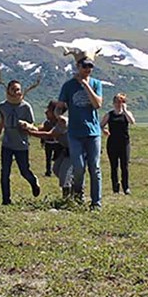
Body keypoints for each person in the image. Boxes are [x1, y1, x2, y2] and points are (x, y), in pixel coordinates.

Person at [56, 47, 103, 209]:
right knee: (78, 167)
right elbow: (60, 107)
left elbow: (97, 104)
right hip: (75, 133)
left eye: (90, 66)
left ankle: (96, 202)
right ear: (78, 66)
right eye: (85, 66)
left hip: (93, 133)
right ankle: (79, 196)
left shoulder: (96, 84)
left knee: (94, 167)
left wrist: (86, 86)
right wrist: (59, 116)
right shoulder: (68, 86)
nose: (88, 69)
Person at [0, 79, 40, 205]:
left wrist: (26, 125)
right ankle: (6, 200)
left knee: (24, 171)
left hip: (22, 144)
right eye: (14, 89)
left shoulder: (26, 107)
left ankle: (33, 182)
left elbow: (33, 125)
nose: (16, 92)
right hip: (7, 144)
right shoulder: (2, 106)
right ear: (8, 90)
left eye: (18, 89)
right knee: (5, 172)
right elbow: (1, 123)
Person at [22, 114, 73, 199]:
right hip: (66, 151)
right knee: (56, 169)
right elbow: (40, 129)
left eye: (49, 110)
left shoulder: (63, 122)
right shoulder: (53, 123)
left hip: (73, 152)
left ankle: (67, 197)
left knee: (64, 174)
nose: (46, 112)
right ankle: (72, 187)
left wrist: (29, 132)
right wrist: (29, 127)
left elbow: (48, 135)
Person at [101, 93, 136, 194]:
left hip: (124, 142)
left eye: (120, 102)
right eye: (116, 102)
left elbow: (132, 122)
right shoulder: (109, 114)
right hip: (112, 143)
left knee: (124, 165)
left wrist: (125, 111)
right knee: (114, 166)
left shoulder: (126, 114)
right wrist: (104, 130)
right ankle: (115, 188)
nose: (118, 104)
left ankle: (126, 187)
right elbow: (101, 125)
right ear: (113, 103)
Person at [41, 100, 62, 177]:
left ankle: (56, 170)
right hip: (49, 142)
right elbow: (44, 131)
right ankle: (48, 171)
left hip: (57, 143)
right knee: (48, 158)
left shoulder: (60, 122)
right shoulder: (47, 122)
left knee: (56, 157)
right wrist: (43, 140)